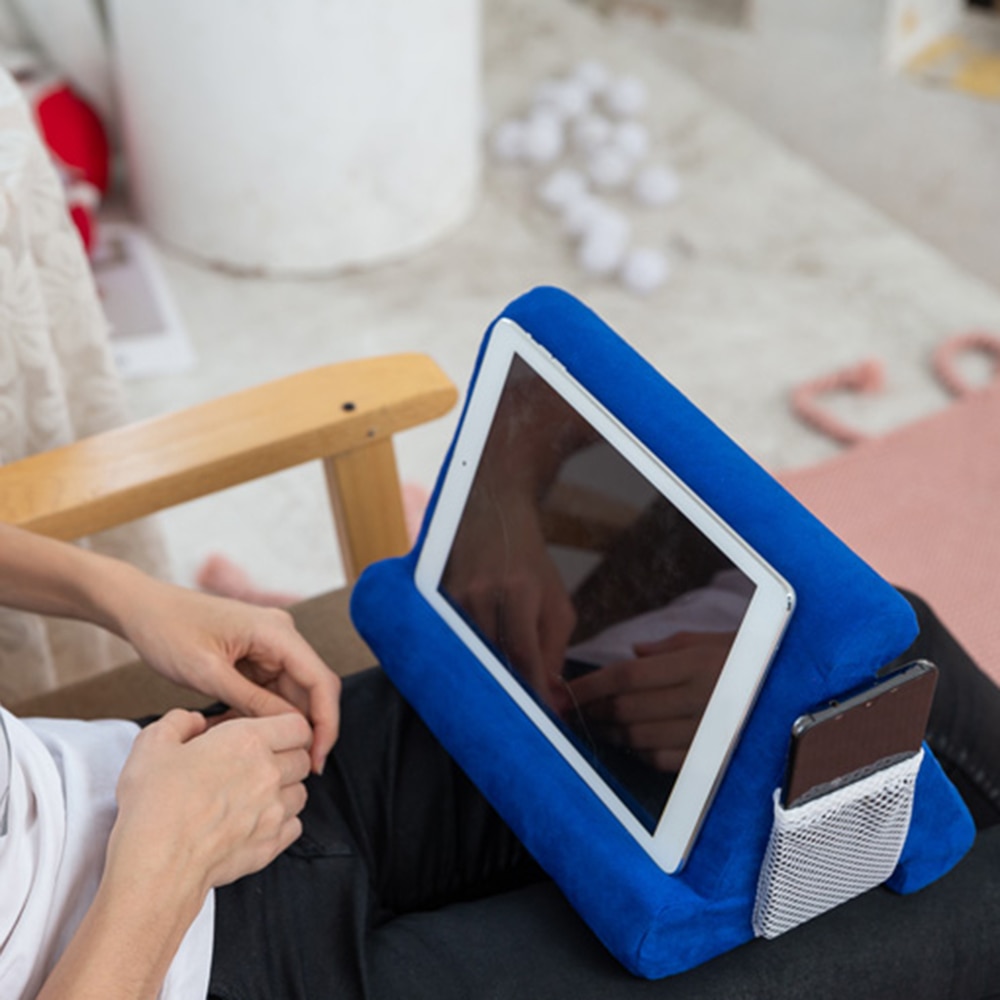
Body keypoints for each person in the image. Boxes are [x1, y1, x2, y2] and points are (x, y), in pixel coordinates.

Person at [3, 521, 1000, 1000]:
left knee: (865, 661)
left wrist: (119, 592)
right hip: (176, 930)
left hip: (197, 770)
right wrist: (163, 860)